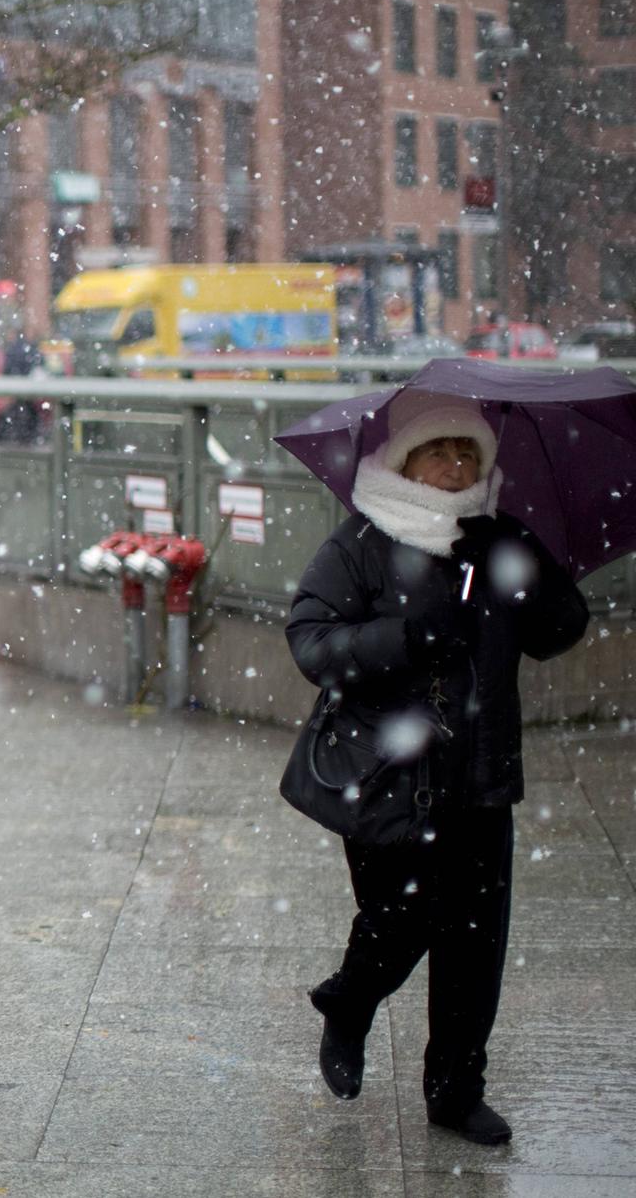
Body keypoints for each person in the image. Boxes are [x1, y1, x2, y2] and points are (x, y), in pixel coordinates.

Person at [286, 393, 589, 1146]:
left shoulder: (499, 540)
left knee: (474, 941)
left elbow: (561, 629)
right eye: (440, 450)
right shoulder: (362, 541)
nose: (456, 466)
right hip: (388, 776)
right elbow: (311, 639)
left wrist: (534, 583)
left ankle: (455, 1093)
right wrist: (406, 636)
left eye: (469, 455)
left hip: (480, 775)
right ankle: (351, 1001)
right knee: (401, 919)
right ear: (404, 460)